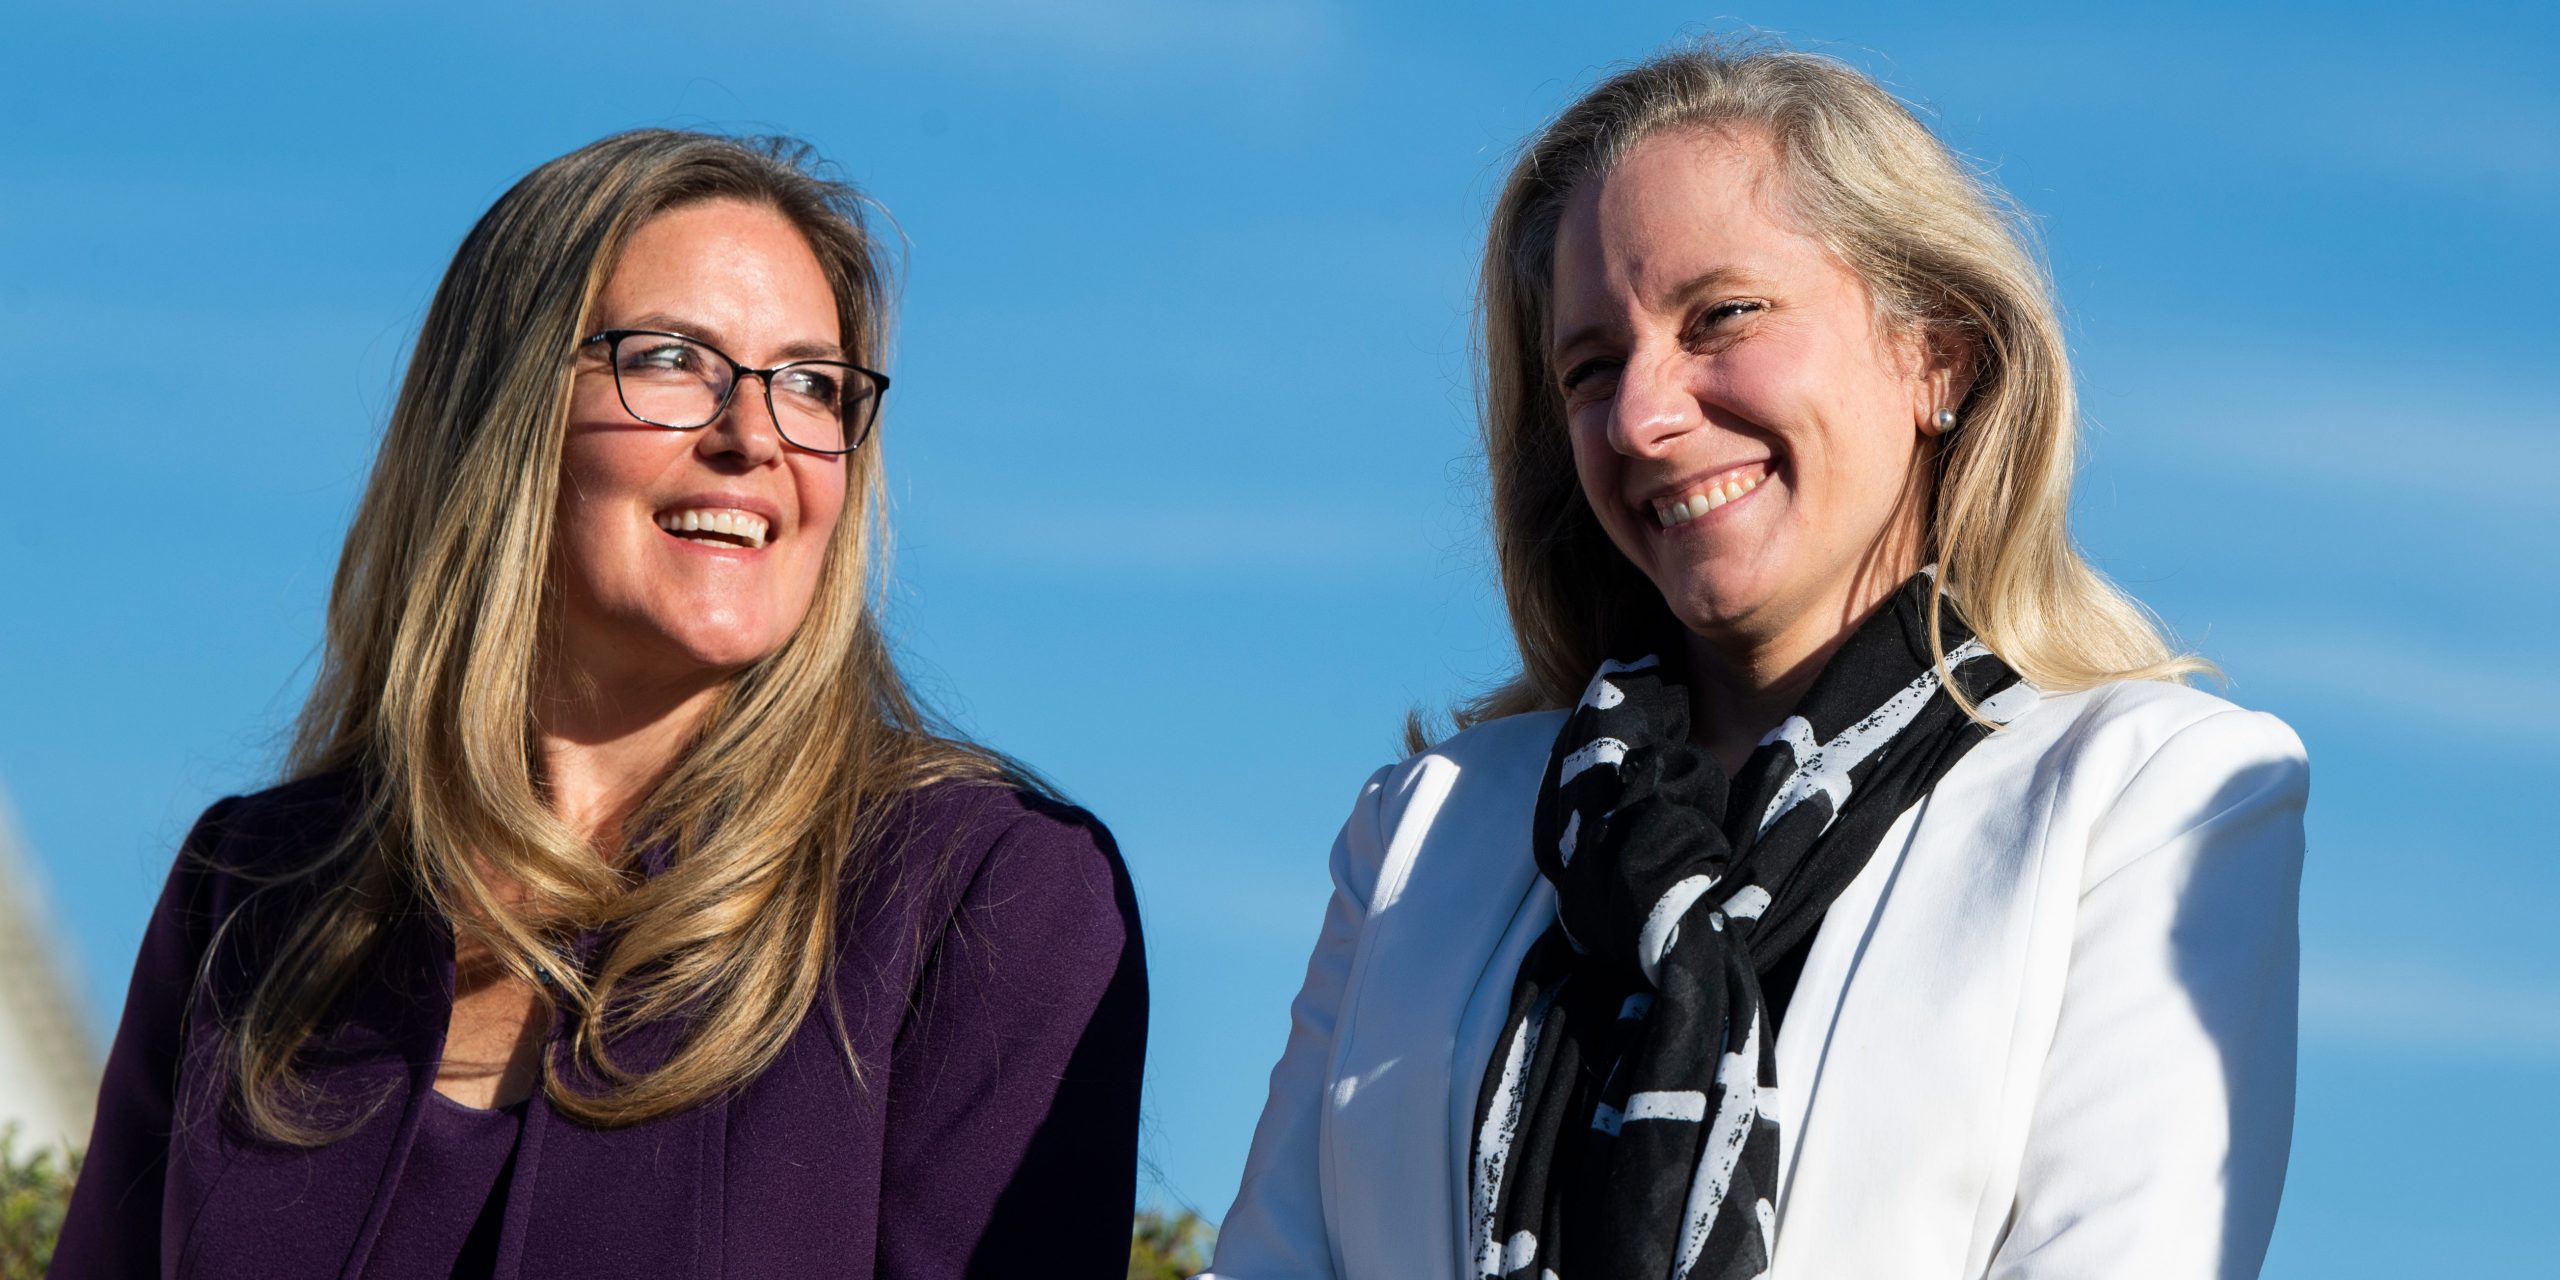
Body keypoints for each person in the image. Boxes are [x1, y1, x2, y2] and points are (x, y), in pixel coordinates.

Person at [1206, 41, 2306, 1280]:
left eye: (1720, 315)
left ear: (1933, 351)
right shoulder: (1422, 835)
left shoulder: (2150, 798)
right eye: (1590, 367)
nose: (1641, 415)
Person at [53, 130, 1147, 1279]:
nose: (754, 437)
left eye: (812, 384)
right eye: (674, 359)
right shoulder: (252, 891)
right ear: (502, 413)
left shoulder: (984, 896)